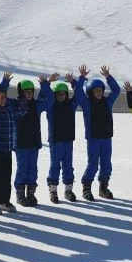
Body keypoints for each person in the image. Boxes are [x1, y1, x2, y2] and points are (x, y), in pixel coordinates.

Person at [75, 65, 121, 201]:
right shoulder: (86, 103)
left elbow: (117, 90)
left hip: (106, 138)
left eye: (101, 90)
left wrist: (108, 77)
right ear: (90, 92)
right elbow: (77, 93)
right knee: (93, 164)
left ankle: (103, 187)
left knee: (107, 164)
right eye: (97, 91)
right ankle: (86, 188)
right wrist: (82, 77)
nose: (100, 93)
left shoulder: (107, 102)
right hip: (93, 139)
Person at [0, 73, 28, 214]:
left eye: (4, 96)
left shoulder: (9, 110)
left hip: (6, 149)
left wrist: (22, 96)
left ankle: (4, 201)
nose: (2, 98)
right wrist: (3, 83)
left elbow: (22, 111)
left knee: (6, 176)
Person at [14, 74, 57, 206]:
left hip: (33, 142)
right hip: (20, 143)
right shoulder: (15, 105)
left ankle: (31, 193)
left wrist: (45, 84)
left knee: (33, 169)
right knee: (22, 169)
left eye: (31, 92)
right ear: (21, 93)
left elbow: (50, 99)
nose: (29, 94)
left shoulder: (37, 105)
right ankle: (20, 193)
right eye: (26, 92)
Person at [45, 70, 84, 203]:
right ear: (55, 95)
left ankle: (68, 190)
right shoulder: (50, 106)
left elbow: (79, 94)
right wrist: (47, 83)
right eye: (59, 94)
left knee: (68, 165)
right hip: (55, 140)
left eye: (64, 93)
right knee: (55, 165)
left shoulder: (71, 105)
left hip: (67, 139)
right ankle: (53, 191)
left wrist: (75, 82)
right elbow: (45, 95)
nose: (61, 96)